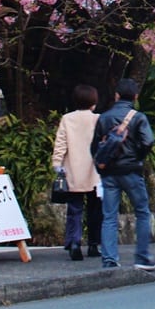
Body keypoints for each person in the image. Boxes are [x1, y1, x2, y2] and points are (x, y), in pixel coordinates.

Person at [91, 77, 155, 270]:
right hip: (131, 172)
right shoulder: (138, 118)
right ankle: (142, 257)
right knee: (142, 212)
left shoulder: (103, 118)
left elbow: (94, 146)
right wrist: (138, 158)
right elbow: (148, 142)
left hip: (109, 173)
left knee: (109, 216)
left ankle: (109, 259)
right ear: (135, 97)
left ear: (116, 95)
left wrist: (101, 167)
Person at [52, 84, 103, 260]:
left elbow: (60, 143)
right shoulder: (99, 119)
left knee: (75, 209)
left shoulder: (67, 119)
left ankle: (74, 243)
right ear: (94, 102)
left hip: (72, 170)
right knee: (95, 210)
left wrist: (57, 164)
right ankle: (94, 245)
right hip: (95, 172)